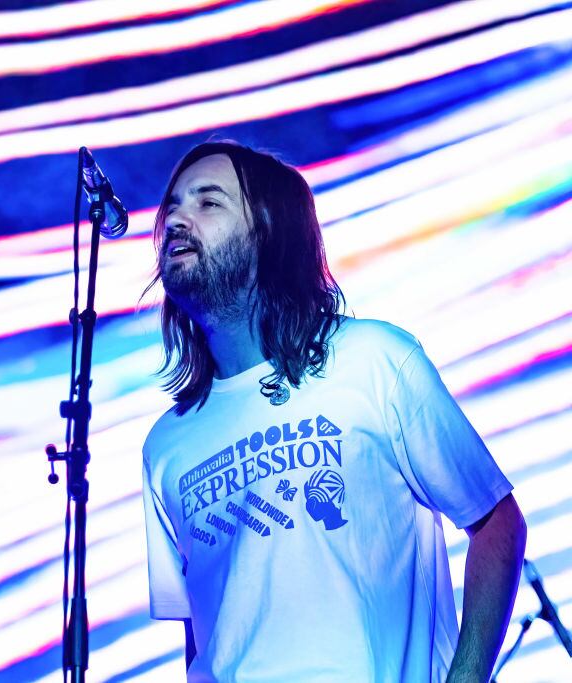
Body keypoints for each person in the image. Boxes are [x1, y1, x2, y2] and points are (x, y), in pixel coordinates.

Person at [140, 140, 526, 682]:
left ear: (267, 234)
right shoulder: (166, 445)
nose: (178, 218)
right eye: (173, 206)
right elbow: (202, 636)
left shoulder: (373, 361)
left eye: (209, 202)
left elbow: (497, 524)